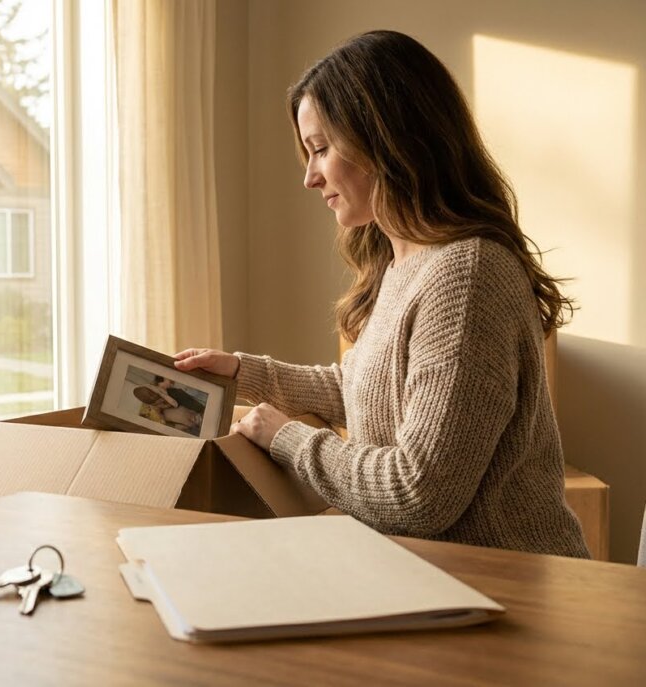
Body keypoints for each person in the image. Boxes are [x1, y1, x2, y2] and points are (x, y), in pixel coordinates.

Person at [174, 30, 589, 558]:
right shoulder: (405, 264)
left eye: (321, 149)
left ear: (387, 139)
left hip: (510, 592)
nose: (309, 176)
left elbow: (417, 493)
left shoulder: (466, 277)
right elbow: (372, 391)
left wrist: (286, 438)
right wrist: (242, 372)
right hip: (435, 580)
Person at [132, 385, 202, 435]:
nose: (162, 404)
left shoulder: (176, 394)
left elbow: (200, 408)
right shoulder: (163, 414)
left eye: (161, 400)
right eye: (156, 404)